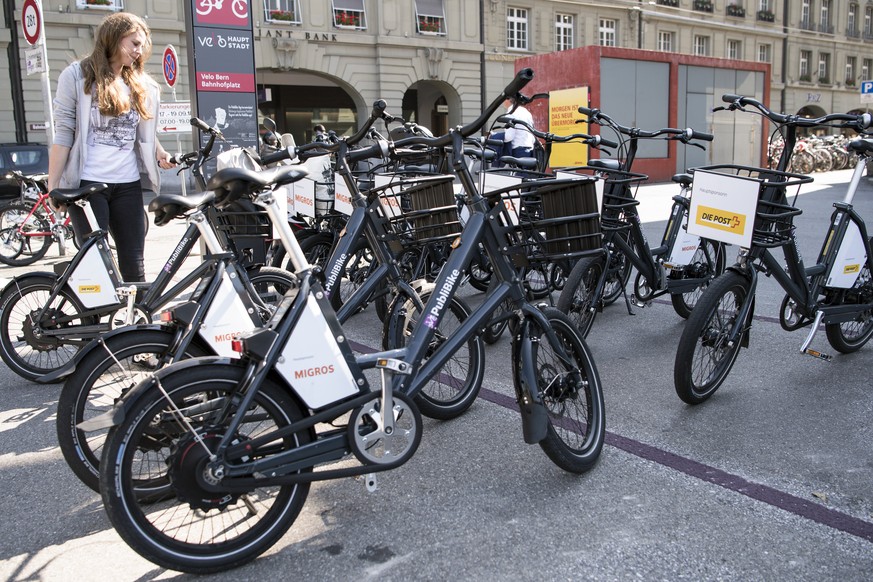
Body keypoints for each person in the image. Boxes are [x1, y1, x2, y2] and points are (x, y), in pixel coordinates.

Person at [48, 12, 175, 283]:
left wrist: (158, 151)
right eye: (134, 43)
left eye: (142, 44)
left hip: (127, 184)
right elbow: (64, 133)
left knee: (135, 266)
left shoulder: (142, 84)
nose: (140, 51)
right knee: (95, 265)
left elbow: (140, 130)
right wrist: (54, 186)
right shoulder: (77, 76)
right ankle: (91, 321)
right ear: (114, 39)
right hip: (87, 185)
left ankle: (135, 323)